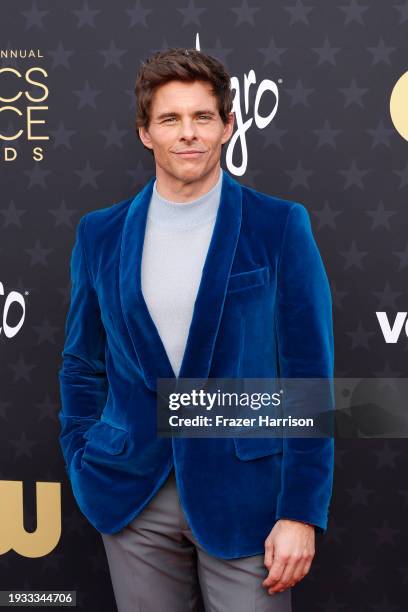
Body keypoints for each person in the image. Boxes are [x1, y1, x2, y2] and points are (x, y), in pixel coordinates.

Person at [58, 47, 334, 612]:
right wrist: (82, 455)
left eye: (202, 117)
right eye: (170, 119)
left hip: (248, 499)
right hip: (132, 494)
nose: (188, 134)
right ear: (145, 133)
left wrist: (301, 510)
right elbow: (82, 362)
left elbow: (310, 377)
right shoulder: (100, 234)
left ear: (228, 126)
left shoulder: (279, 225)